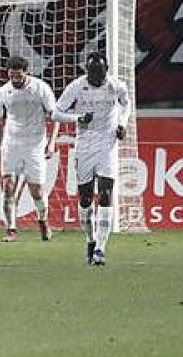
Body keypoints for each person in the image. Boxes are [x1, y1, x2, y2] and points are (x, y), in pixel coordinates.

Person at [54, 52, 131, 266]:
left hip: (107, 145)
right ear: (87, 71)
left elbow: (126, 104)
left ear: (107, 70)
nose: (97, 77)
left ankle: (100, 248)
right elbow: (56, 113)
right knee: (86, 198)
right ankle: (90, 239)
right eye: (93, 73)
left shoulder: (116, 86)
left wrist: (122, 124)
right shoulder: (76, 87)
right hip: (85, 146)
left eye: (100, 72)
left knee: (106, 194)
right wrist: (77, 118)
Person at [0, 55, 81, 243]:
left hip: (35, 144)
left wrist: (52, 142)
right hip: (11, 143)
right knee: (8, 186)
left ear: (26, 73)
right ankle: (11, 229)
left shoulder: (41, 88)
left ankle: (42, 221)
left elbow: (55, 115)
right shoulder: (3, 92)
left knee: (37, 190)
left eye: (18, 76)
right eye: (12, 76)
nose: (15, 79)